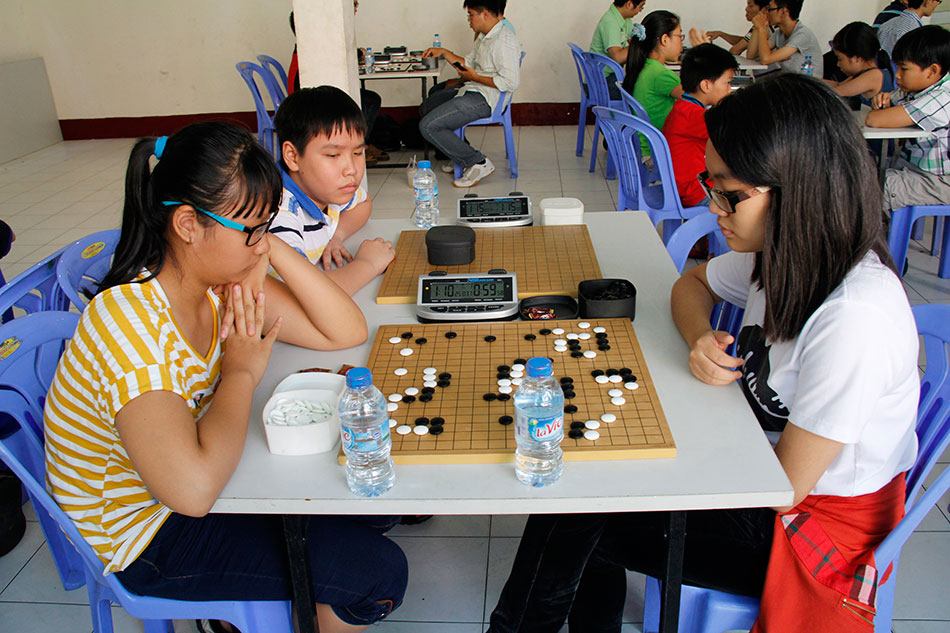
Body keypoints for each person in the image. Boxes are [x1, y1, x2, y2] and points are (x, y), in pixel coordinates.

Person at [486, 75, 918, 633]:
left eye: (728, 194)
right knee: (587, 491)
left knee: (582, 509)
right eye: (710, 185)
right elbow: (691, 284)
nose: (714, 208)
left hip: (808, 528)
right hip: (763, 470)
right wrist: (699, 338)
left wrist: (677, 448)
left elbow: (781, 488)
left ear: (797, 190)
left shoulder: (854, 317)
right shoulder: (785, 253)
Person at [43, 122, 408, 633]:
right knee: (379, 573)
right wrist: (240, 371)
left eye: (268, 226)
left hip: (203, 474)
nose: (262, 246)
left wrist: (268, 246)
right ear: (188, 224)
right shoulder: (131, 328)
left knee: (377, 506)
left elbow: (344, 330)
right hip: (147, 535)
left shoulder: (214, 281)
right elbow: (192, 494)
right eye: (252, 230)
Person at [271, 86, 395, 296]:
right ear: (293, 156)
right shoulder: (279, 214)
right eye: (332, 155)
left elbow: (363, 203)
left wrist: (336, 236)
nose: (351, 169)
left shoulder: (325, 191)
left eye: (357, 153)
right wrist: (367, 264)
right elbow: (299, 296)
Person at [419, 0, 523, 188]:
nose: (468, 20)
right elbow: (468, 63)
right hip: (473, 89)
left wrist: (475, 77)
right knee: (427, 107)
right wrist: (443, 52)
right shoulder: (485, 37)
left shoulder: (504, 41)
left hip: (487, 99)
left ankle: (477, 162)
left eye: (471, 15)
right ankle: (459, 152)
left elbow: (510, 82)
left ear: (485, 14)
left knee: (428, 126)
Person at [867, 25, 950, 216]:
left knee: (871, 186)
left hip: (939, 181)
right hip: (912, 168)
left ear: (932, 71)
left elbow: (874, 120)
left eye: (904, 69)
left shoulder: (942, 97)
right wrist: (883, 100)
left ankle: (871, 233)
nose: (897, 75)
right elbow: (889, 102)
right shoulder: (918, 89)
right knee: (861, 170)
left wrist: (883, 112)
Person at [662, 44, 738, 208]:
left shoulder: (683, 107)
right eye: (727, 82)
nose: (729, 89)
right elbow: (734, 134)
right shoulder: (695, 116)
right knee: (751, 201)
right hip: (695, 192)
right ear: (706, 85)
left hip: (682, 186)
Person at [620, 10, 684, 155]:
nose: (682, 42)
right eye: (680, 36)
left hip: (642, 148)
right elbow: (697, 97)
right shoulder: (660, 75)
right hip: (656, 154)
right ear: (664, 39)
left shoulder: (644, 67)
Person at [823, 21, 892, 109]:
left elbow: (835, 92)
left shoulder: (873, 75)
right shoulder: (864, 73)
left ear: (856, 58)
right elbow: (838, 85)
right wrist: (808, 80)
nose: (838, 64)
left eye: (840, 59)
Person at [590, 0, 649, 99]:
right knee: (638, 95)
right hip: (602, 80)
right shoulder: (610, 22)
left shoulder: (625, 20)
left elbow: (632, 45)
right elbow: (617, 57)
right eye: (641, 6)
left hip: (611, 75)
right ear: (629, 4)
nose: (640, 11)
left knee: (640, 86)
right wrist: (637, 43)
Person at [748, 0, 823, 77]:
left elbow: (766, 59)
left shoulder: (802, 34)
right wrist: (757, 27)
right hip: (792, 81)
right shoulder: (779, 33)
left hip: (807, 83)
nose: (766, 13)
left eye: (769, 9)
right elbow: (751, 55)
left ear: (784, 11)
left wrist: (761, 28)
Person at [698, 0, 772, 55]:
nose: (746, 9)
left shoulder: (763, 27)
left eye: (750, 6)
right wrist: (721, 34)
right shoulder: (759, 27)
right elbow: (744, 41)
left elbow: (735, 50)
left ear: (764, 9)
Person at [878, 0, 942, 58]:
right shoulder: (914, 31)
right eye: (938, 0)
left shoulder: (887, 24)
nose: (937, 4)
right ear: (928, 1)